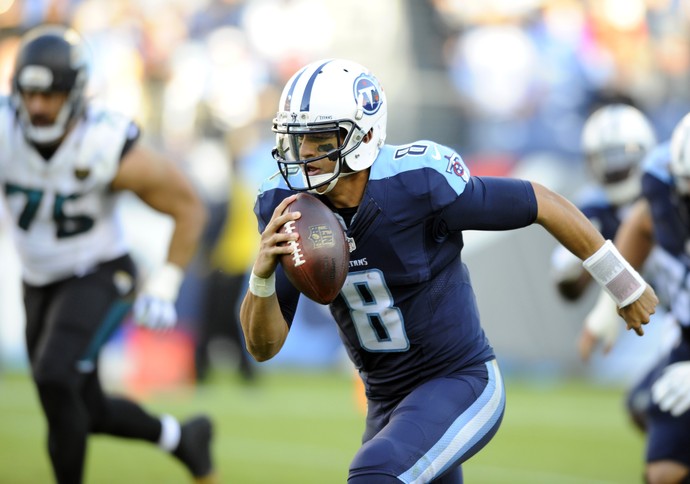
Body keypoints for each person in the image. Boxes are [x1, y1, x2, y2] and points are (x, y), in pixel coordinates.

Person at [239, 58, 658, 483]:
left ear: (363, 135)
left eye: (319, 139)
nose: (304, 155)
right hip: (386, 402)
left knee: (375, 473)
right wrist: (263, 275)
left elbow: (541, 202)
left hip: (460, 380)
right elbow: (263, 347)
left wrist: (621, 283)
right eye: (296, 140)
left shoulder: (417, 181)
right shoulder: (285, 204)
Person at [0, 25, 216, 484]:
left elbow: (187, 206)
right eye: (30, 94)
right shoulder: (5, 129)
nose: (38, 107)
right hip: (40, 279)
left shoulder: (104, 144)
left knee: (55, 376)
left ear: (75, 93)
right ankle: (183, 438)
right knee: (84, 406)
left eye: (51, 95)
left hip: (100, 273)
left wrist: (165, 282)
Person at [581, 112, 690, 484]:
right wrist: (612, 301)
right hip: (687, 335)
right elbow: (642, 222)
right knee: (662, 472)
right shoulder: (663, 185)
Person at [550, 103, 657, 301]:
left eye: (625, 152)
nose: (614, 167)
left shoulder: (664, 187)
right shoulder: (593, 208)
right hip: (649, 309)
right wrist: (570, 270)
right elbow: (571, 291)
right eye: (605, 158)